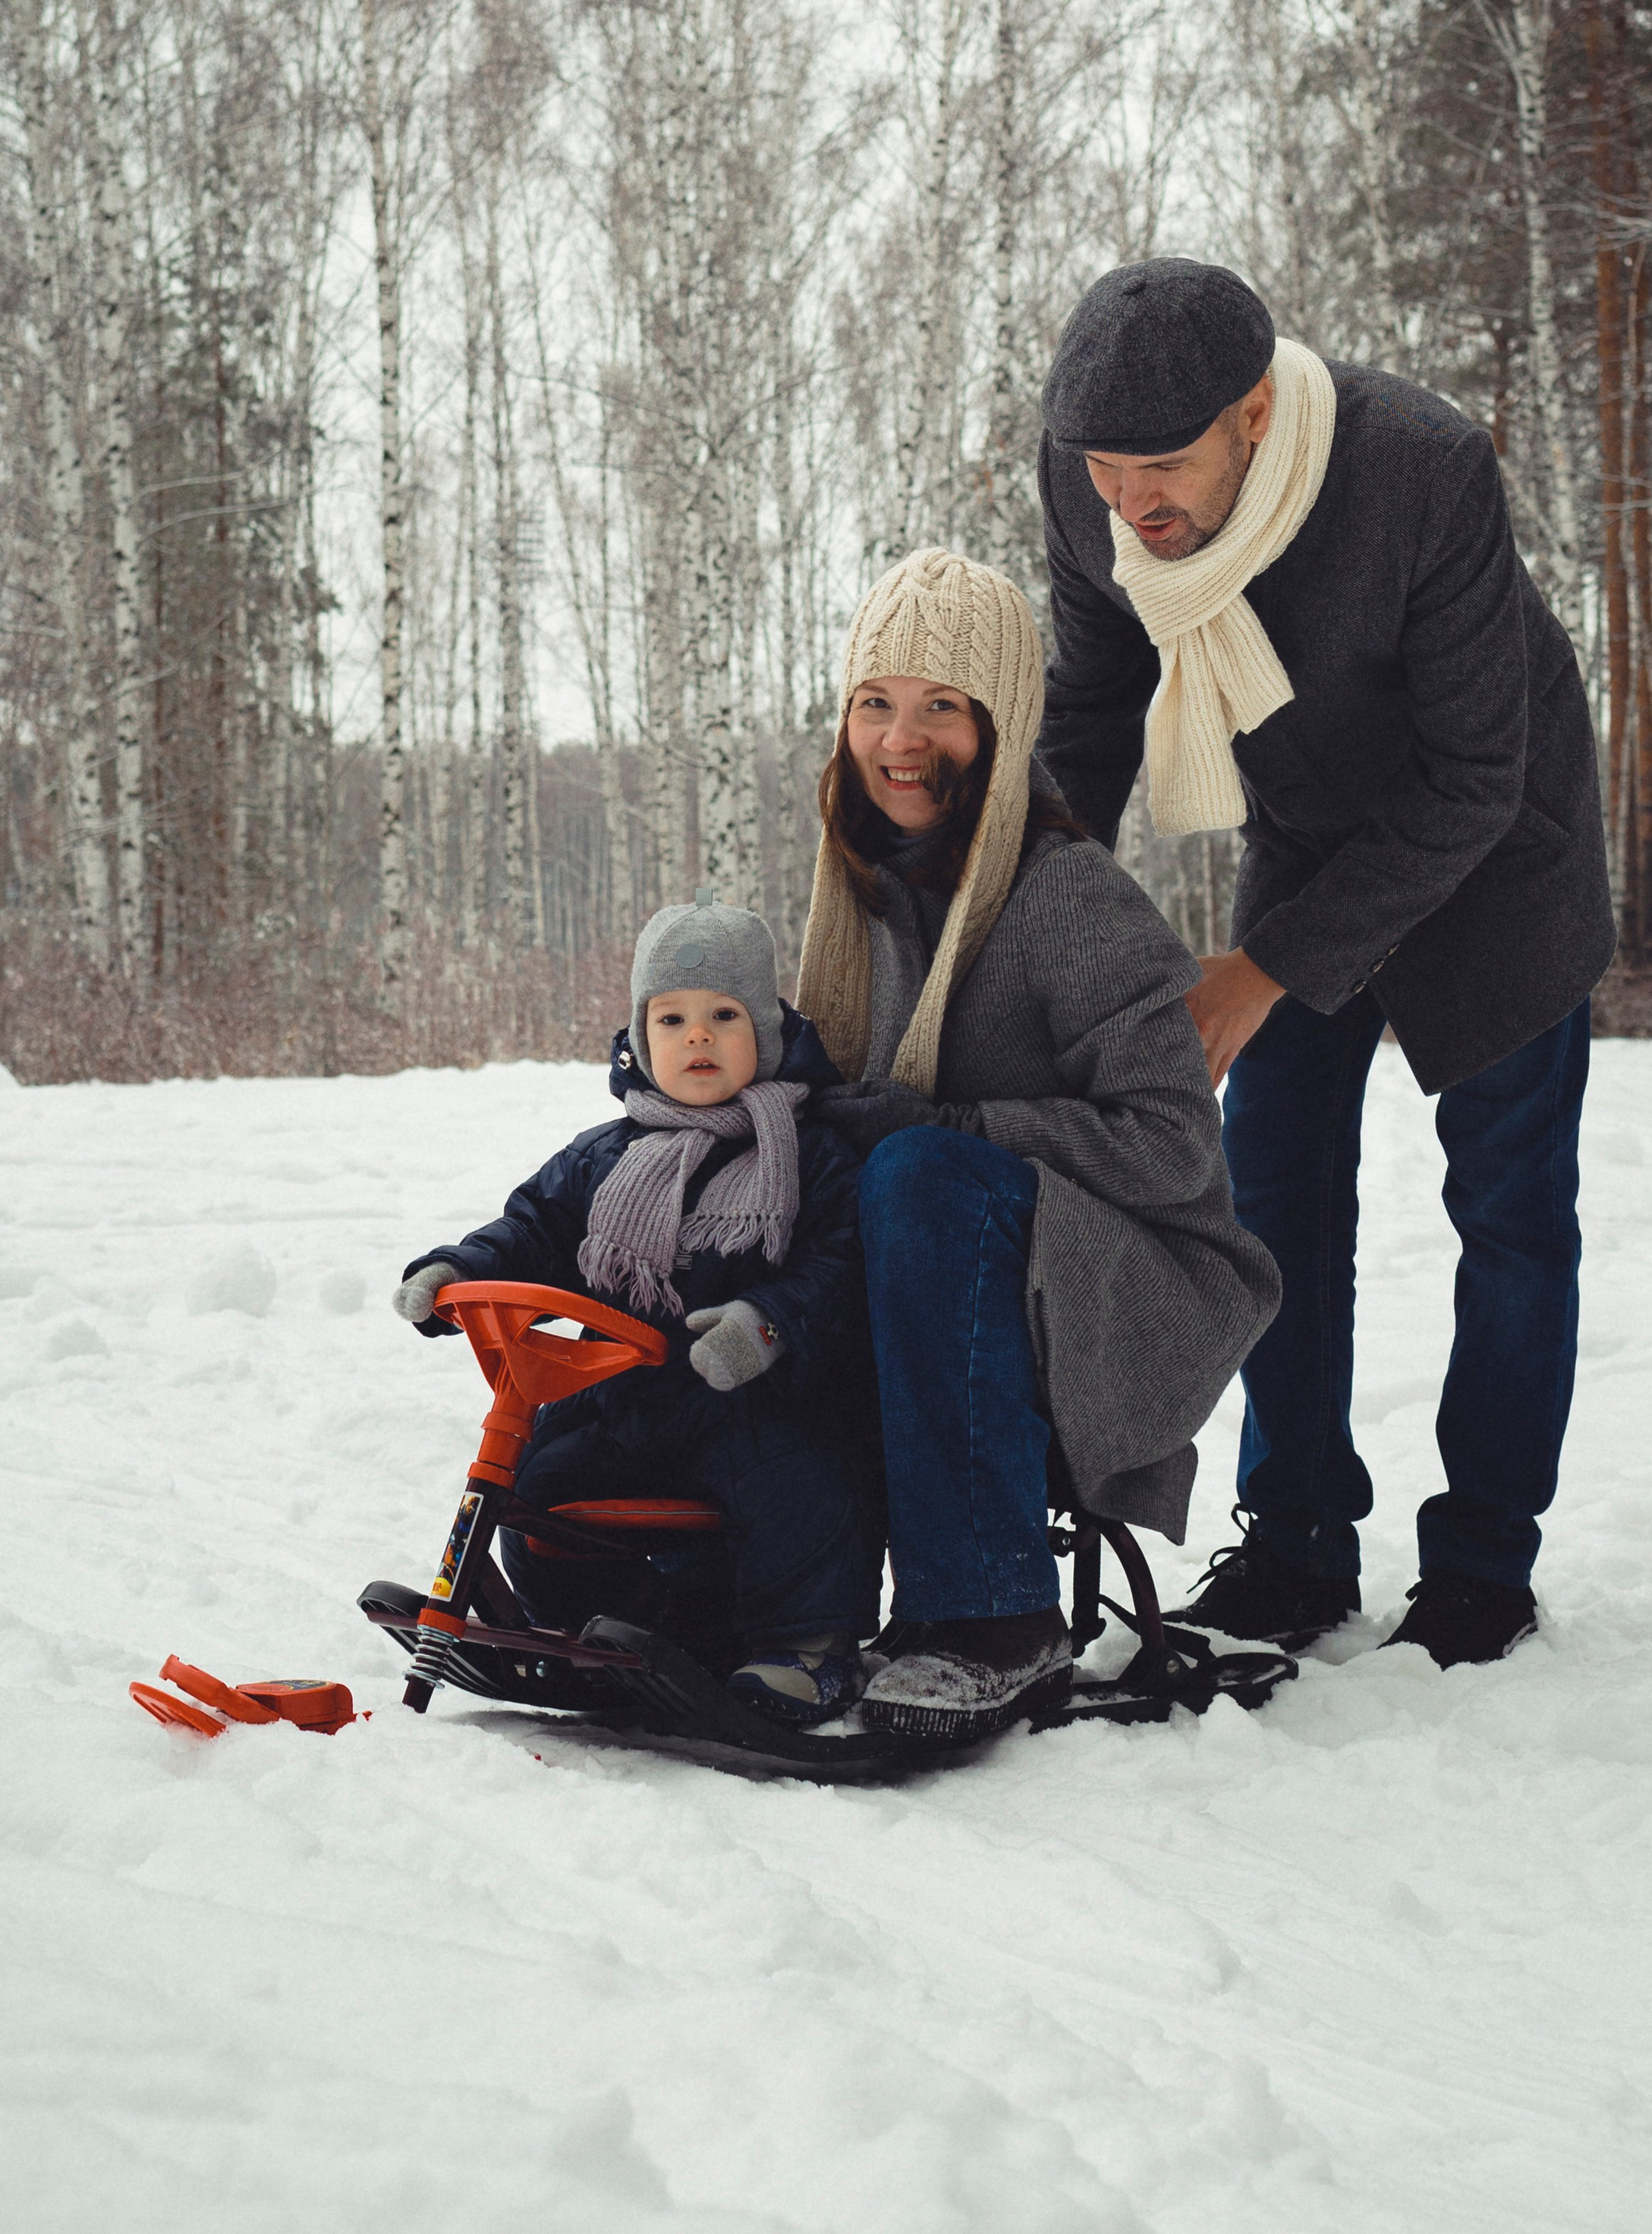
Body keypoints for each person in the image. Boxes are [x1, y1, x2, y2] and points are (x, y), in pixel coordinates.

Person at [1034, 257, 1615, 1668]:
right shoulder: (1094, 491)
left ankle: (1484, 1564)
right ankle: (1293, 1542)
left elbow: (1478, 774)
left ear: (1249, 413)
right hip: (1308, 831)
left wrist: (1264, 967)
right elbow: (1095, 717)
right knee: (1276, 1197)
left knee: (1513, 1214)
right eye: (1106, 471)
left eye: (1159, 466)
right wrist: (1033, 926)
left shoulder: (1422, 468)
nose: (1131, 504)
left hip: (1500, 846)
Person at [796, 546, 1281, 1744]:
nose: (901, 741)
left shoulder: (1064, 894)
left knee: (915, 1173)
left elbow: (1175, 1146)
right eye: (877, 703)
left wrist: (956, 1128)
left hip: (1128, 1283)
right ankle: (756, 1598)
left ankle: (991, 1621)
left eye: (942, 708)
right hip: (963, 1274)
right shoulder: (858, 902)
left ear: (1001, 731)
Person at [391, 896, 879, 1726]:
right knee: (542, 1478)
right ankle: (627, 1627)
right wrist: (458, 1271)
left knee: (798, 1476)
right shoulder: (604, 1156)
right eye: (672, 1018)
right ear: (639, 1038)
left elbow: (839, 1268)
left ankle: (808, 1644)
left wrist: (765, 1323)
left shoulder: (810, 1156)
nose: (697, 1037)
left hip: (753, 1395)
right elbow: (532, 1229)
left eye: (724, 1015)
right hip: (619, 1393)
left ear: (766, 1028)